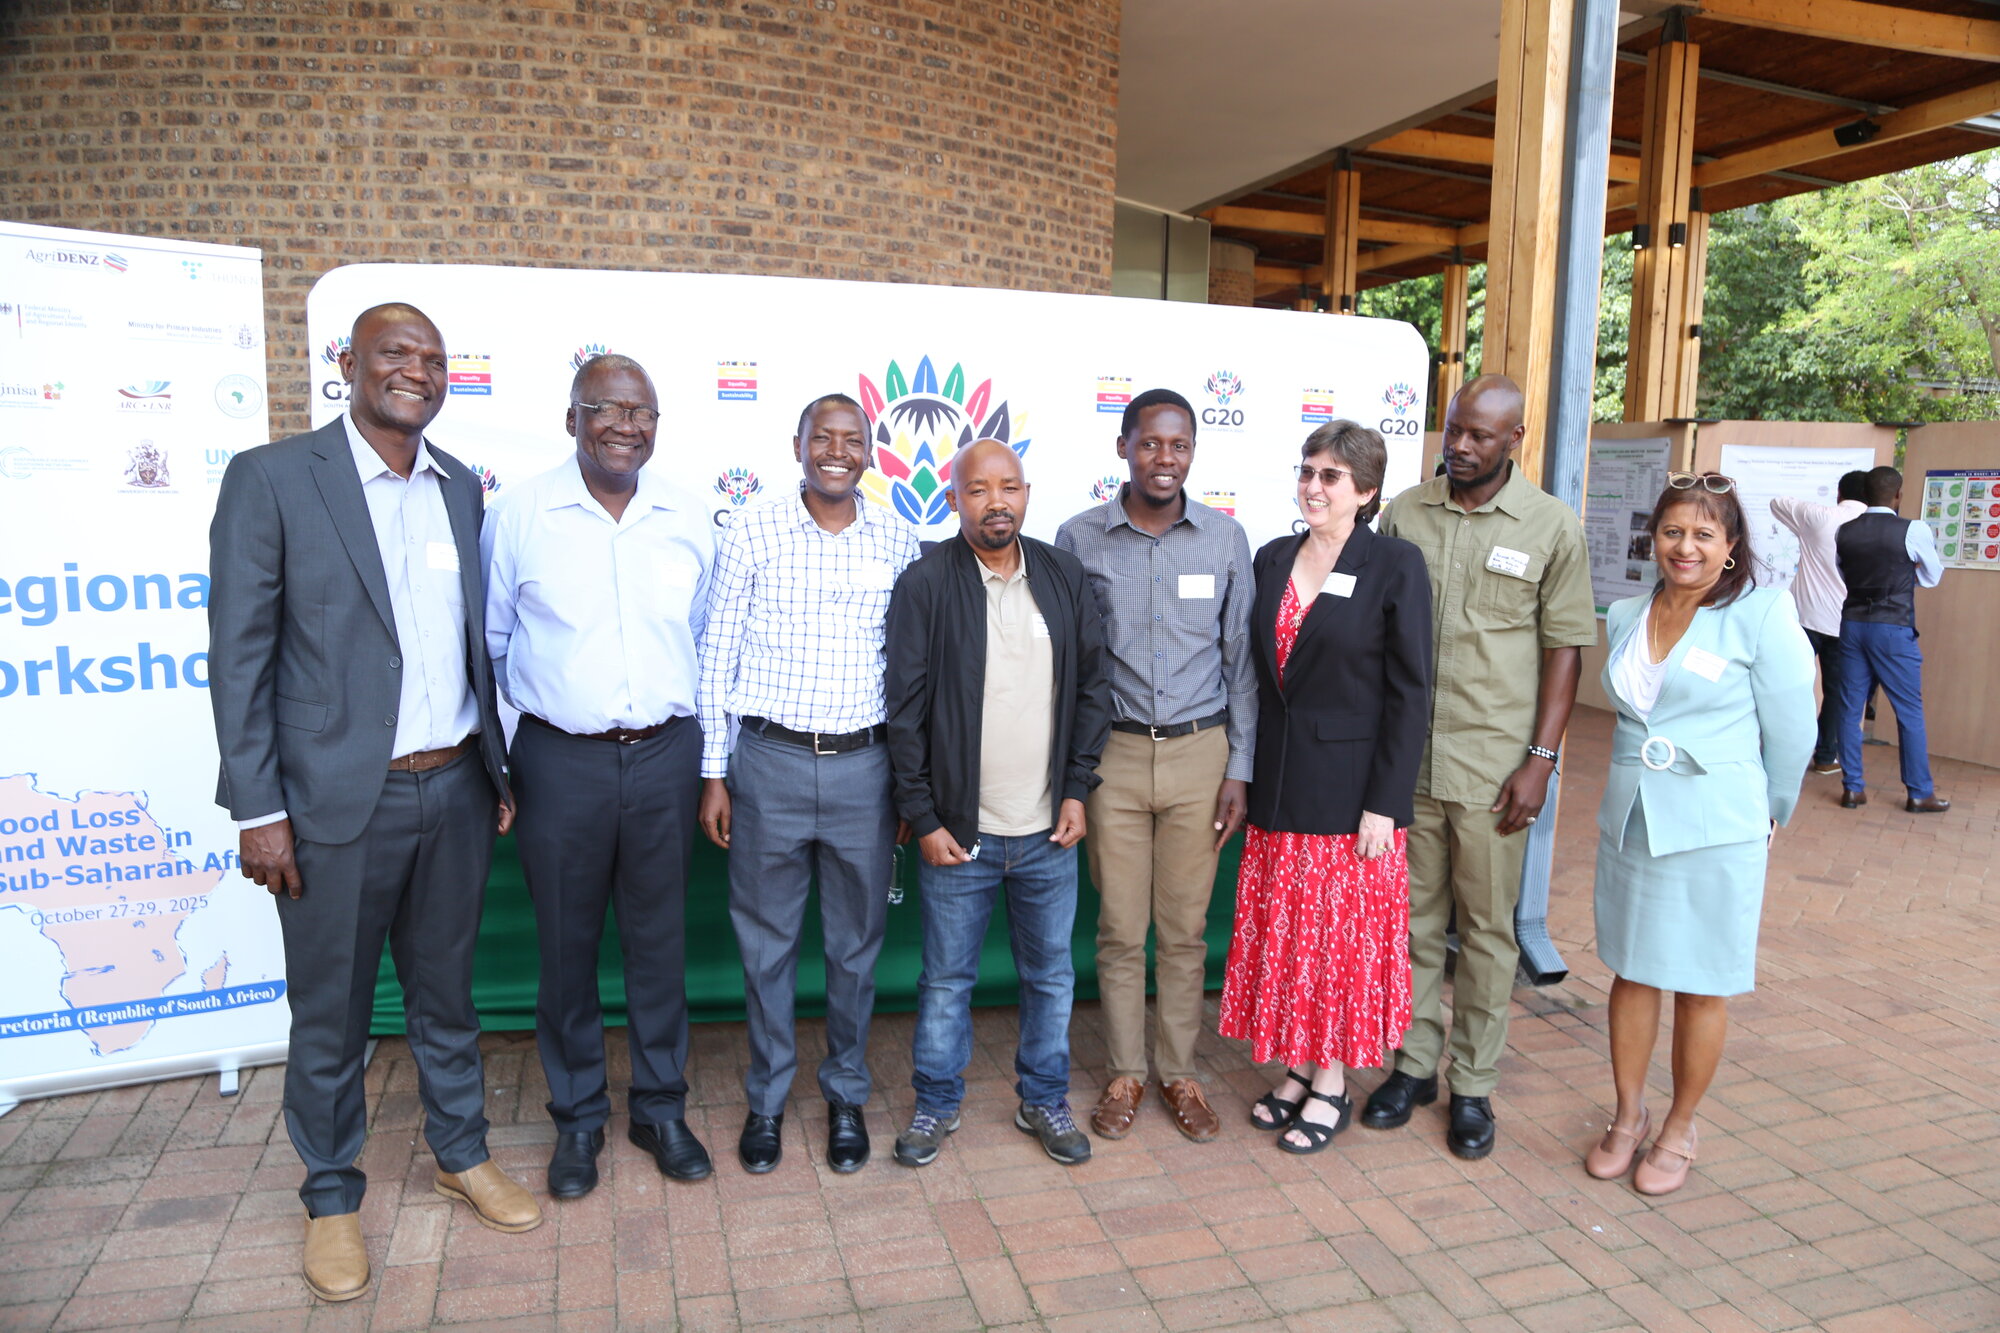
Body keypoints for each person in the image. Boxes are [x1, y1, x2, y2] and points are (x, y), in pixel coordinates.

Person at [209, 303, 536, 1304]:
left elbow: (470, 638)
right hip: (330, 805)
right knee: (333, 1014)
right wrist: (258, 809)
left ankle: (458, 1151)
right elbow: (241, 656)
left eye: (434, 360)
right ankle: (330, 1193)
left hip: (453, 786)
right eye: (396, 354)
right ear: (348, 364)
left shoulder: (461, 491)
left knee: (445, 994)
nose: (418, 372)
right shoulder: (273, 480)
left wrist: (498, 767)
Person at [481, 354, 716, 1197]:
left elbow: (697, 635)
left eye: (642, 412)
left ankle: (659, 1108)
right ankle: (577, 1119)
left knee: (660, 946)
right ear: (572, 417)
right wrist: (539, 731)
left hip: (664, 755)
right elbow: (495, 640)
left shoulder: (687, 517)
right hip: (559, 759)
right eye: (608, 409)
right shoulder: (519, 515)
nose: (626, 426)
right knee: (566, 949)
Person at [1365, 374, 1597, 1159]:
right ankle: (1414, 1065)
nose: (1459, 446)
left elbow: (1564, 650)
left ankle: (1473, 1083)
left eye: (1478, 435)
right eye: (1453, 429)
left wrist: (1540, 758)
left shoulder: (1550, 525)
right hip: (1409, 764)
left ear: (1514, 440)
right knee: (1411, 925)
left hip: (1495, 767)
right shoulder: (1406, 512)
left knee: (1489, 932)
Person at [695, 393, 920, 1175]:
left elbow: (911, 673)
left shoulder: (899, 538)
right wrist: (713, 771)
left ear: (869, 452)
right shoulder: (751, 529)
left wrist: (907, 784)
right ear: (796, 445)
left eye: (851, 439)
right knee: (767, 945)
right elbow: (716, 652)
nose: (835, 450)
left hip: (866, 768)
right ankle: (765, 1099)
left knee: (856, 947)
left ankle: (847, 1094)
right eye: (821, 436)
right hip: (769, 763)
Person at [883, 438, 1111, 1168]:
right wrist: (923, 815)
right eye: (978, 489)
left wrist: (1078, 789)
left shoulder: (1065, 574)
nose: (996, 501)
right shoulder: (925, 583)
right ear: (955, 500)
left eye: (1008, 486)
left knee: (1051, 976)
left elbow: (1091, 691)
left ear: (1027, 492)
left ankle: (1043, 1097)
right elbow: (905, 712)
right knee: (947, 978)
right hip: (960, 832)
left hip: (1049, 830)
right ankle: (936, 1103)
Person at [1586, 472, 1815, 1194]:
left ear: (1732, 545)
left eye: (1704, 534)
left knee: (1702, 983)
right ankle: (1629, 1114)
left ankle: (1682, 1123)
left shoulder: (1760, 613)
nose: (1686, 546)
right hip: (1633, 821)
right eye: (1673, 531)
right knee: (1632, 970)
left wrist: (1773, 810)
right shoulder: (1625, 613)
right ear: (1653, 538)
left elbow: (1792, 727)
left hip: (1719, 825)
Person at [1222, 422, 1431, 1154]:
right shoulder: (1273, 555)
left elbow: (1411, 695)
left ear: (1367, 491)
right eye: (1308, 470)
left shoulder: (1395, 564)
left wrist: (1386, 802)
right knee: (1290, 938)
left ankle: (1332, 1082)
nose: (1313, 485)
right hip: (1279, 787)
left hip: (1351, 800)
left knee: (1337, 947)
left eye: (1332, 476)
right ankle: (1298, 1066)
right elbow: (1257, 677)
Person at [1054, 388, 1255, 1145]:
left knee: (1183, 928)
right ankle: (1125, 1071)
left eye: (1178, 445)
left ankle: (1179, 1071)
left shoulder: (1224, 539)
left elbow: (1241, 665)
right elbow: (1066, 663)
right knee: (1117, 924)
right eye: (1150, 444)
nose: (1164, 459)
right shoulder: (1079, 540)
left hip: (1203, 754)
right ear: (1123, 448)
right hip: (1115, 755)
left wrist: (1240, 767)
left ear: (1192, 452)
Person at [1834, 465, 1950, 813]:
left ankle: (1852, 789)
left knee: (1849, 707)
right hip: (1893, 628)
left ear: (1865, 495)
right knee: (1909, 711)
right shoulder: (1913, 529)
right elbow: (1932, 577)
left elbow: (1845, 572)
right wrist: (1903, 577)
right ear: (1898, 495)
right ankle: (1919, 792)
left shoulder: (1845, 531)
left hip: (1852, 624)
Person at [1771, 470, 1868, 776]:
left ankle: (1781, 754)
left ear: (1839, 493)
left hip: (1804, 619)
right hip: (1846, 624)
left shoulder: (1819, 516)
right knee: (1837, 693)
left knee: (1787, 687)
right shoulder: (1875, 525)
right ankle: (1826, 757)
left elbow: (1777, 502)